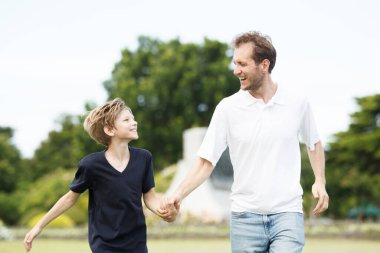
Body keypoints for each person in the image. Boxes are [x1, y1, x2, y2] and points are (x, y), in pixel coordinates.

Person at [164, 31, 329, 253]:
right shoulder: (227, 109)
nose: (236, 70)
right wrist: (178, 194)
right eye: (235, 63)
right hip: (245, 217)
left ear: (264, 65)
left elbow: (314, 143)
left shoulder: (297, 102)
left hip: (287, 213)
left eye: (242, 64)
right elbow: (206, 161)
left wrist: (320, 181)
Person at [24, 98, 178, 253]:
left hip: (136, 243)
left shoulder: (144, 158)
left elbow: (149, 197)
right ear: (110, 130)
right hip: (104, 244)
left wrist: (163, 211)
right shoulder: (91, 165)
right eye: (127, 120)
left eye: (133, 118)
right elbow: (70, 198)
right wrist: (39, 226)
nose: (134, 122)